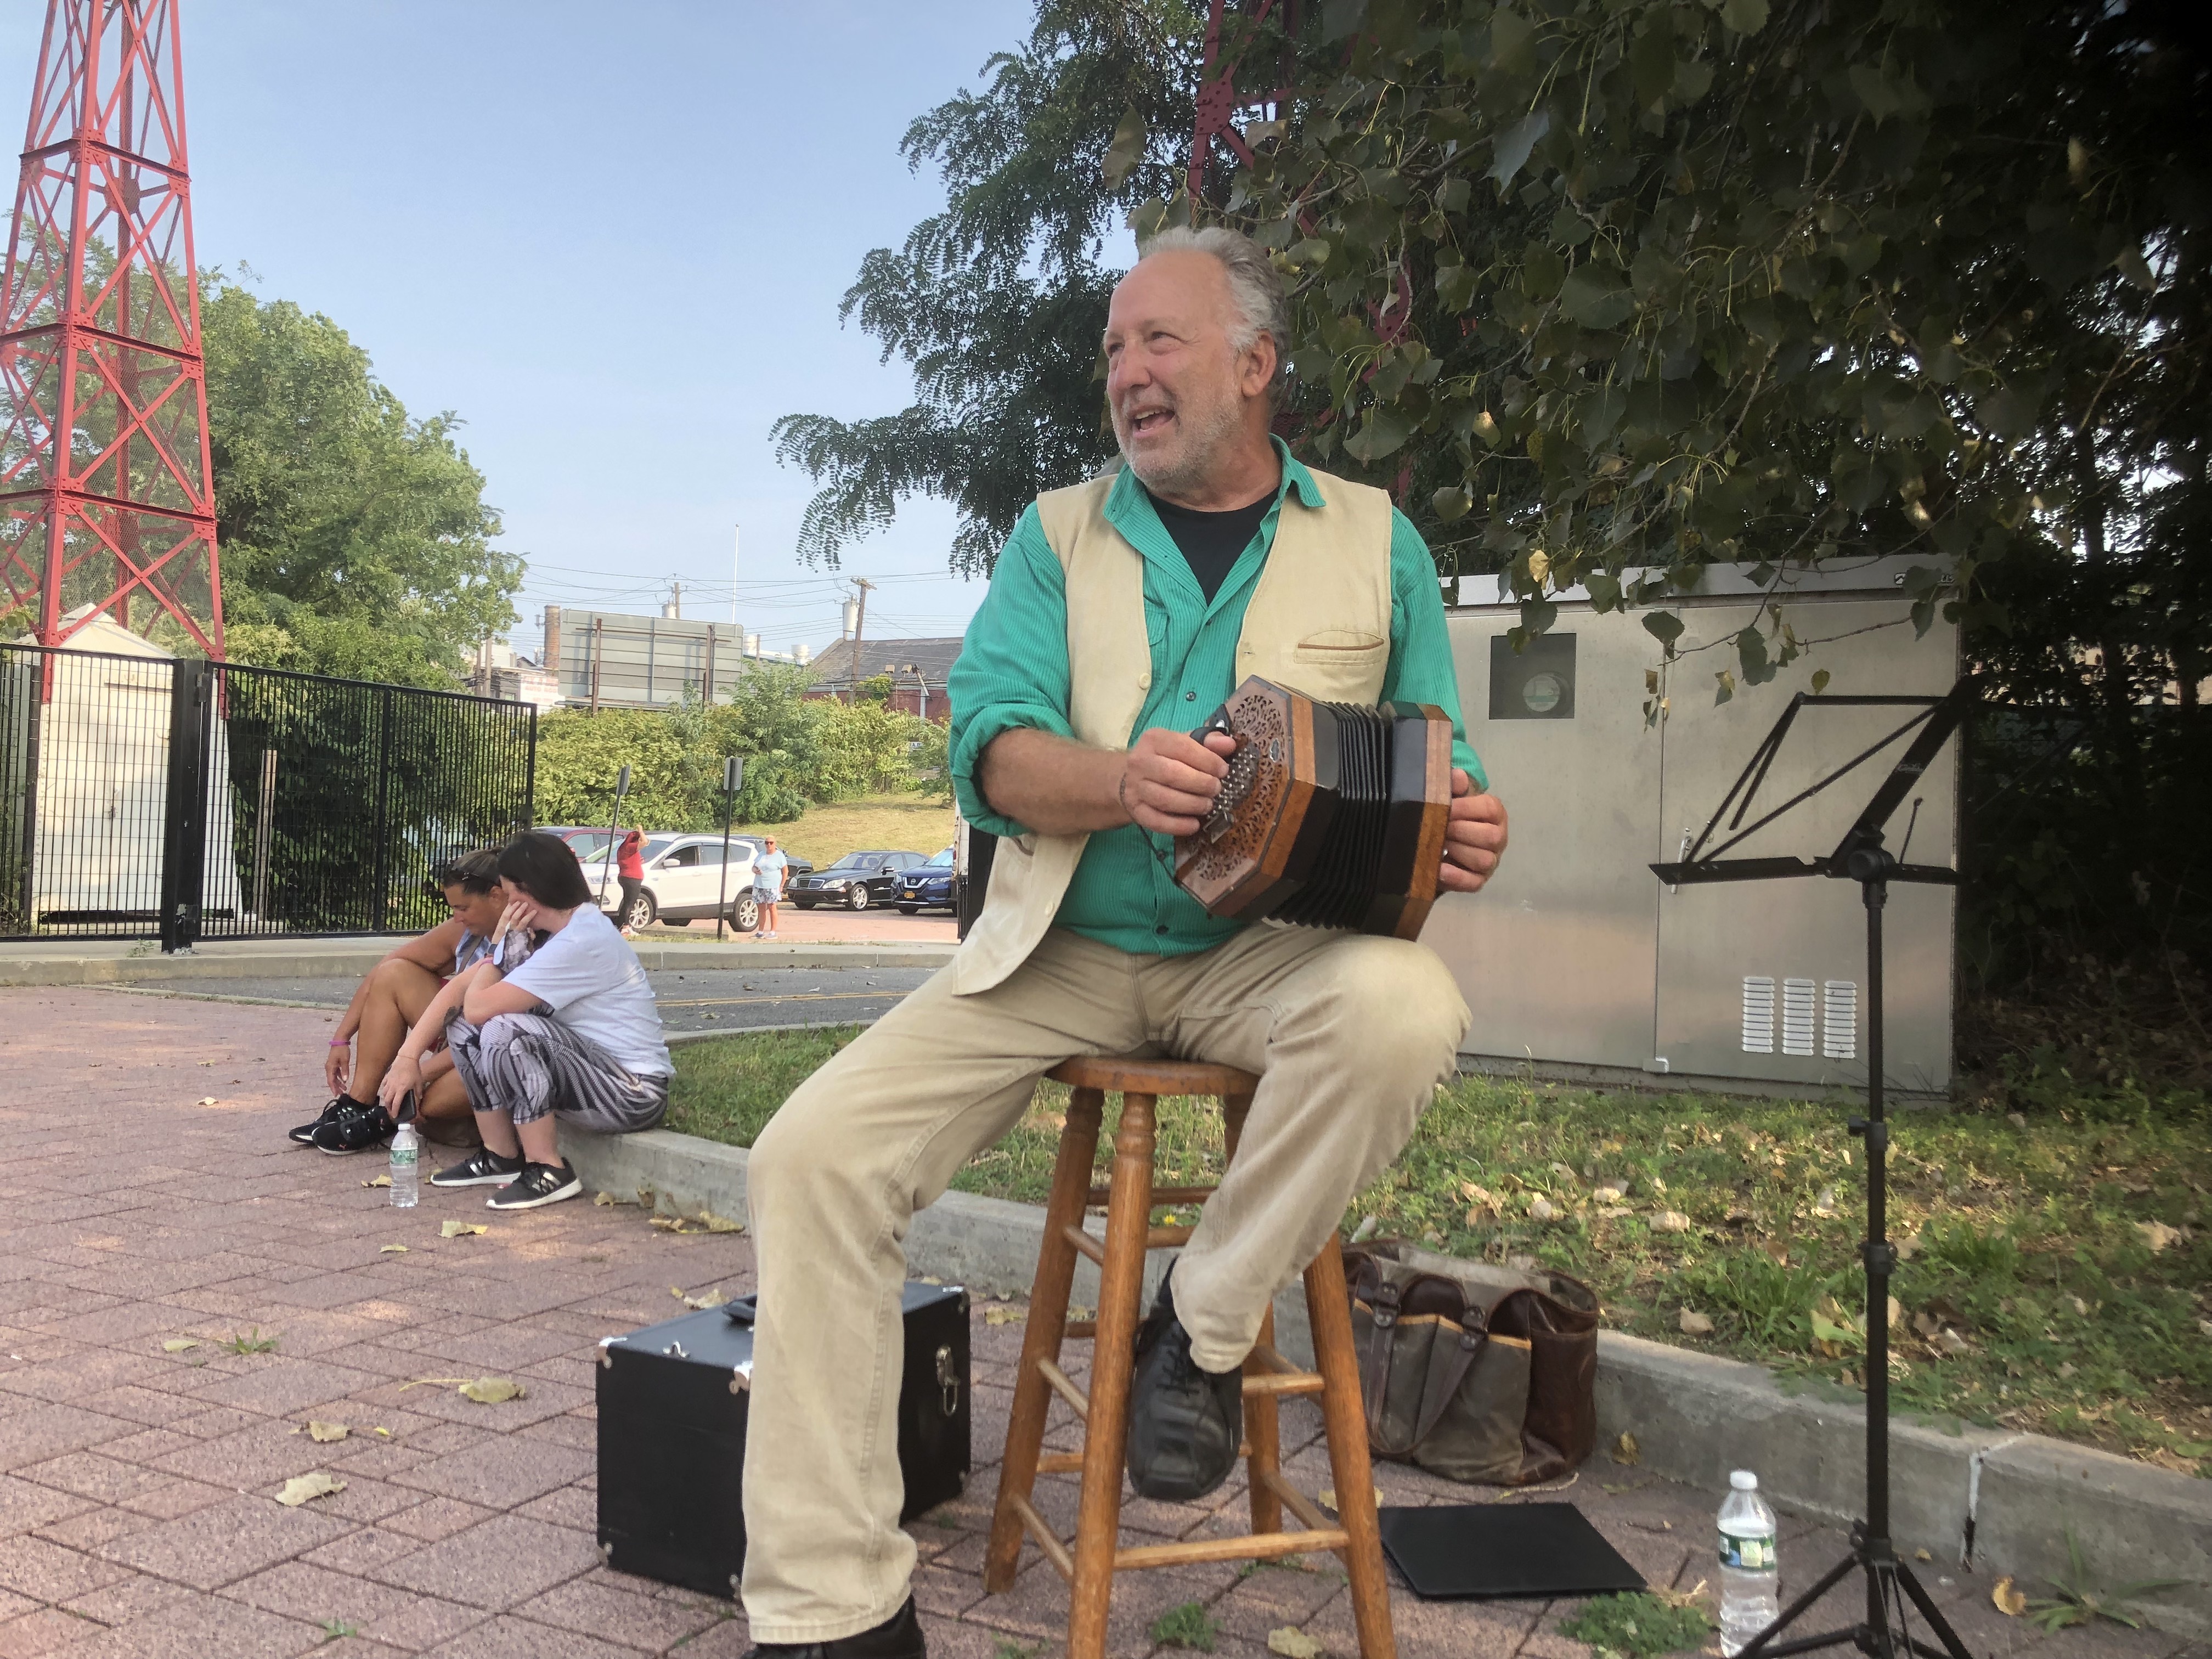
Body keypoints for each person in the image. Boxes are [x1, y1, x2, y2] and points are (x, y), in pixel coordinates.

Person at [731, 226, 1509, 1659]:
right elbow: (986, 751)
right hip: (1060, 952)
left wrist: (1458, 836)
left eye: (1160, 341)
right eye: (1114, 351)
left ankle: (1195, 1326)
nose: (1128, 375)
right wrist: (1117, 781)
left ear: (1256, 364)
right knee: (809, 1159)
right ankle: (829, 1614)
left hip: (1263, 959)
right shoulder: (1056, 536)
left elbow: (1429, 766)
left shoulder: (1378, 545)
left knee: (1406, 1006)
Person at [379, 829, 673, 1211]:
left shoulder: (580, 940)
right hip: (596, 1077)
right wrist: (407, 1060)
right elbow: (460, 996)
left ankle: (548, 1169)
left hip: (633, 1093)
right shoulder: (550, 932)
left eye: (507, 891)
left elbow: (480, 1006)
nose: (504, 902)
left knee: (504, 1028)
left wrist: (503, 943)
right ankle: (501, 1156)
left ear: (527, 891)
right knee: (467, 1027)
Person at [292, 849, 535, 1154]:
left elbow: (497, 1033)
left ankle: (385, 1118)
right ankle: (357, 1105)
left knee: (439, 1090)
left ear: (498, 897)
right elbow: (387, 968)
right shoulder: (463, 929)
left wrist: (417, 1072)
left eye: (464, 907)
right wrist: (341, 1039)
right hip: (460, 1035)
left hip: (495, 1047)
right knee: (395, 973)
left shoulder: (530, 941)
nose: (457, 917)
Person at [752, 834, 788, 940]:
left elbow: (785, 871)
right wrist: (755, 870)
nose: (769, 845)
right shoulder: (761, 854)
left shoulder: (779, 856)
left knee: (772, 907)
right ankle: (760, 931)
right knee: (761, 908)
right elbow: (754, 866)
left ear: (775, 844)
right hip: (759, 884)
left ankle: (773, 931)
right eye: (767, 843)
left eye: (771, 843)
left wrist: (782, 885)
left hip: (773, 885)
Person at [615, 827, 646, 938]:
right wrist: (641, 831)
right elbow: (646, 842)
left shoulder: (624, 847)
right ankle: (626, 928)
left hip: (625, 876)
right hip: (632, 878)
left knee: (626, 903)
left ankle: (621, 926)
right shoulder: (631, 846)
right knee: (630, 903)